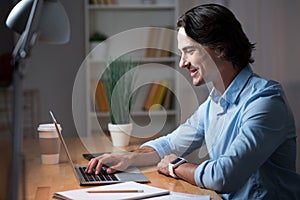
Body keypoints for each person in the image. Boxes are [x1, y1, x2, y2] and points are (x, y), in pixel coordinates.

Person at [86, 4, 300, 199]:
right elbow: (170, 143)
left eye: (189, 51)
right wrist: (128, 159)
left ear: (220, 48)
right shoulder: (213, 103)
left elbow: (223, 177)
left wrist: (175, 167)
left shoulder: (265, 102)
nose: (182, 63)